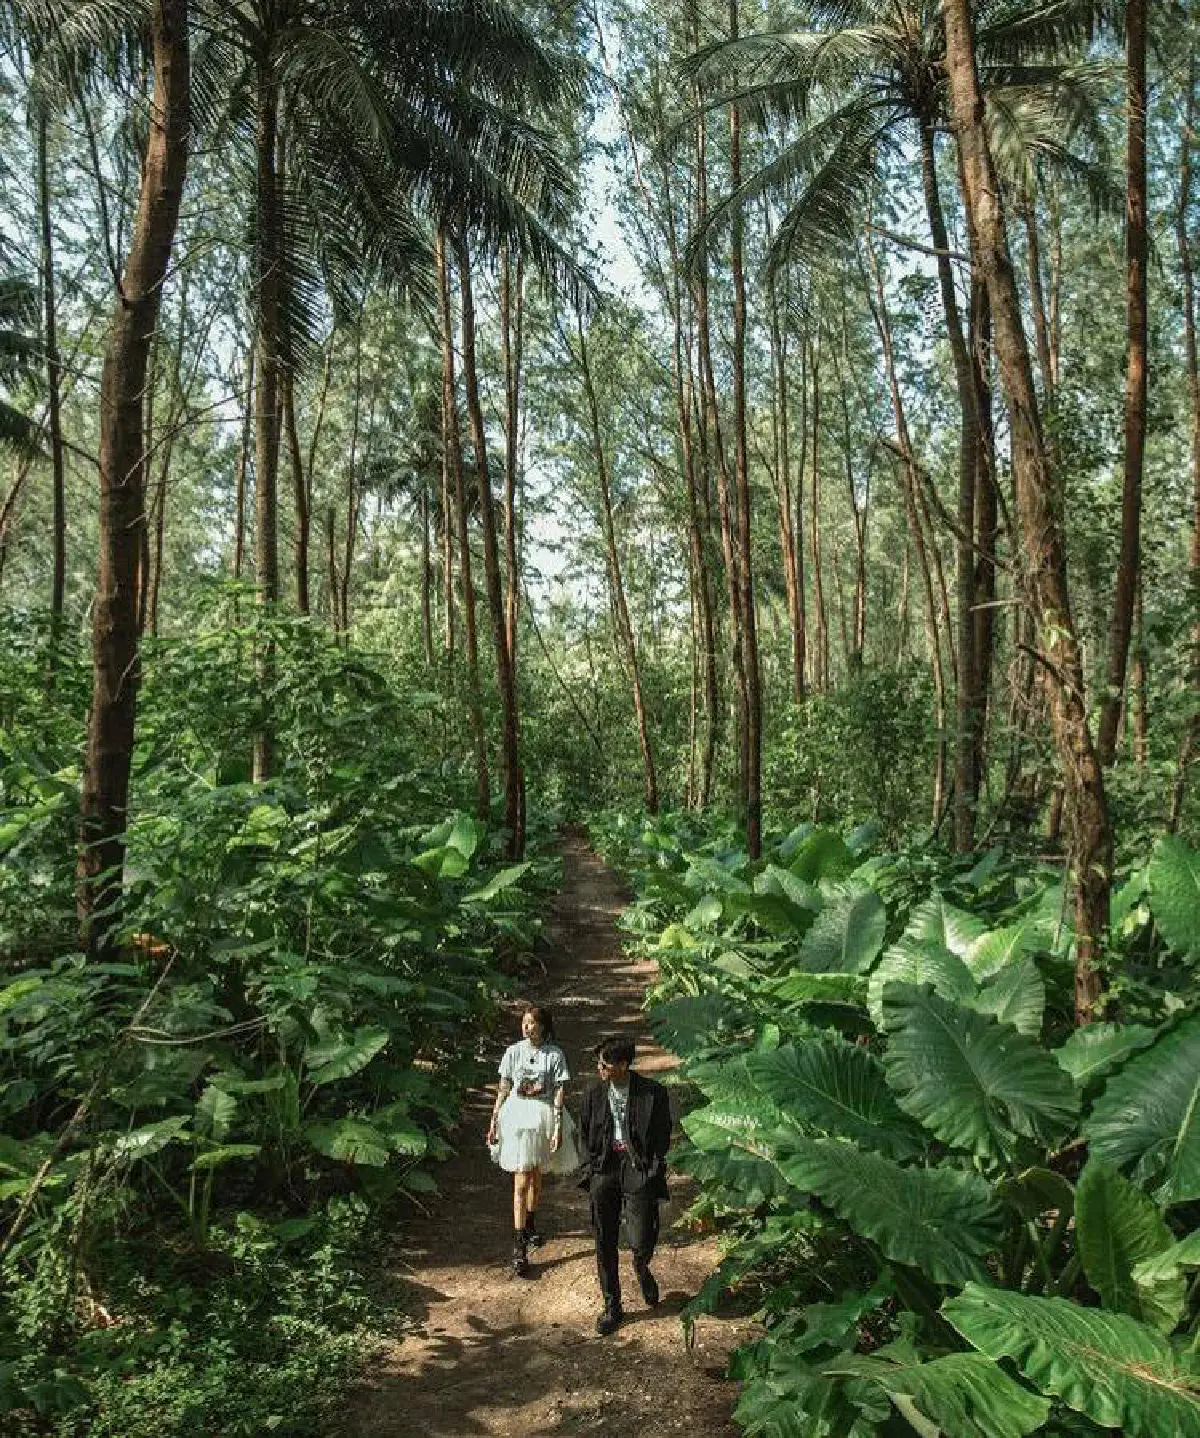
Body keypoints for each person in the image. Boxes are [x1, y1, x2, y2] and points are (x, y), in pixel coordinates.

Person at [577, 1035, 672, 1335]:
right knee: (604, 1239)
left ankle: (641, 1266)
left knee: (641, 1237)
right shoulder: (593, 1094)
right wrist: (590, 1169)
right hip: (604, 1169)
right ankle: (612, 1306)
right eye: (598, 1064)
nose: (599, 1069)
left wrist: (653, 1168)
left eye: (604, 1064)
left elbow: (663, 1134)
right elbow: (583, 1134)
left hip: (638, 1169)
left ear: (622, 1065)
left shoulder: (652, 1093)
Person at [486, 1005, 575, 1276]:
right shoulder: (513, 1052)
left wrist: (557, 1126)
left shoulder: (554, 1055)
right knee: (521, 1179)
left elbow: (559, 1090)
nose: (527, 1027)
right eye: (524, 1022)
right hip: (517, 1117)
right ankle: (519, 1243)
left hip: (543, 1116)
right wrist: (494, 1118)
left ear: (543, 1026)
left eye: (532, 1022)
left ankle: (531, 1221)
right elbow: (503, 1087)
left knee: (536, 1176)